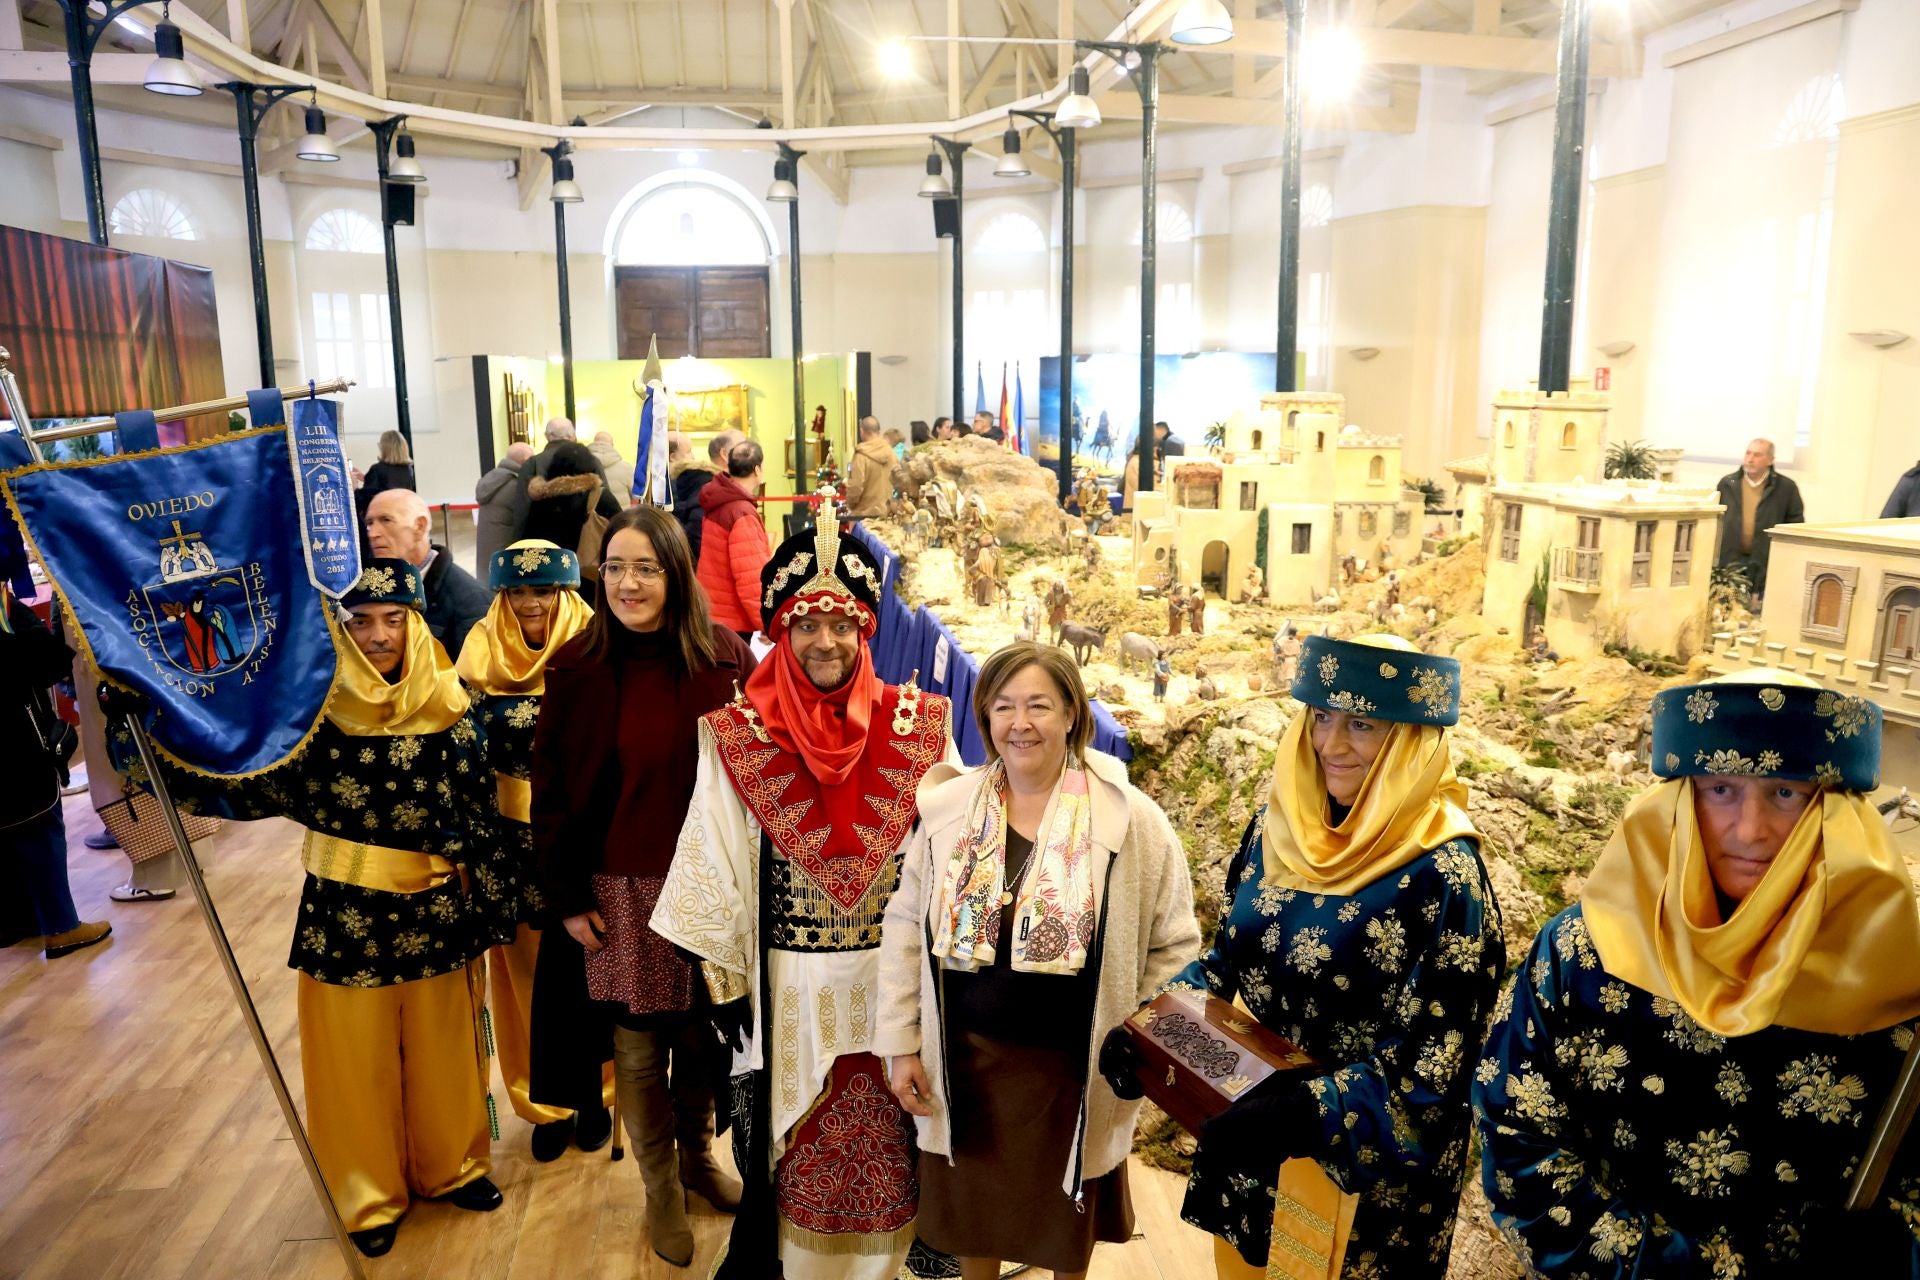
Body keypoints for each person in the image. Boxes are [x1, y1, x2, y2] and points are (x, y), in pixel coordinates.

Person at [1475, 670, 1920, 1276]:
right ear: (1680, 801)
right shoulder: (1584, 951)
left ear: (1832, 811)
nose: (1750, 830)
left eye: (1785, 793)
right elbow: (1518, 1130)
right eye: (1720, 790)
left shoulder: (1891, 977)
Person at [147, 560, 512, 1257]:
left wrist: (493, 905)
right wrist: (154, 723)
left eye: (394, 619)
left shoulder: (453, 708)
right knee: (353, 1061)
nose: (379, 635)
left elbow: (480, 816)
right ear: (339, 630)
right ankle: (365, 1193)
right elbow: (240, 777)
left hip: (439, 911)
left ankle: (454, 1167)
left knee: (445, 1051)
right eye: (361, 621)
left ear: (416, 622)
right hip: (345, 916)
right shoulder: (310, 718)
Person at [1117, 633, 1502, 1279]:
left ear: (1413, 739)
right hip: (1251, 1161)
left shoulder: (1444, 878)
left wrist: (1306, 1114)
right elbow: (1224, 962)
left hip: (1358, 1197)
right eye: (1321, 716)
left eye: (1362, 724)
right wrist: (1149, 1028)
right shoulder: (1275, 832)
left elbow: (1435, 1069)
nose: (1331, 744)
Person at [650, 508, 958, 1279]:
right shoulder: (736, 734)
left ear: (866, 631)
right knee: (800, 1146)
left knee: (896, 1138)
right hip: (787, 986)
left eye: (842, 625)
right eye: (807, 625)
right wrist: (724, 985)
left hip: (895, 987)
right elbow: (712, 854)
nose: (826, 642)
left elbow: (961, 851)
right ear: (780, 633)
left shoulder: (923, 727)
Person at [877, 642, 1198, 1279]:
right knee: (976, 1221)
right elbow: (907, 927)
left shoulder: (1129, 820)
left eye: (1039, 706)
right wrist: (901, 1043)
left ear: (1073, 714)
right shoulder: (948, 812)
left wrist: (1135, 1041)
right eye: (1003, 707)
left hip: (1072, 1075)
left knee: (1063, 1233)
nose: (1020, 724)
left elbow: (1177, 945)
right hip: (968, 1064)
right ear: (984, 717)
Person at [529, 507, 754, 1266]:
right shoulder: (577, 666)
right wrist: (566, 897)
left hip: (707, 882)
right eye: (616, 568)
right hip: (619, 888)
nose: (628, 583)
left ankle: (698, 1161)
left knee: (702, 1037)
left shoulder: (723, 658)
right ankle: (660, 1188)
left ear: (675, 574)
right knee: (637, 1046)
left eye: (645, 568)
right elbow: (551, 789)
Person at [456, 537, 613, 1164]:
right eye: (517, 591)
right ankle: (543, 1100)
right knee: (522, 973)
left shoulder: (598, 651)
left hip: (585, 836)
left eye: (542, 590)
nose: (530, 603)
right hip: (508, 843)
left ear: (564, 592)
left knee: (593, 965)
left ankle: (598, 1095)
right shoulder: (476, 657)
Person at [3, 588, 111, 958]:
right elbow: (48, 661)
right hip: (15, 739)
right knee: (39, 825)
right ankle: (61, 926)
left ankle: (17, 924)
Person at [366, 488, 491, 661]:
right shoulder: (370, 588)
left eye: (386, 520)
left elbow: (474, 674)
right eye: (370, 523)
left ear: (420, 526)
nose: (373, 533)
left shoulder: (471, 602)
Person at [695, 439, 770, 641]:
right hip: (732, 620)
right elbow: (750, 577)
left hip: (713, 609)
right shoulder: (740, 512)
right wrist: (766, 622)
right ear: (757, 469)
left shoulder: (718, 499)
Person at [1715, 438, 1804, 601]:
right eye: (1748, 453)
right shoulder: (1728, 484)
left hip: (1766, 563)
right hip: (1731, 562)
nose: (1750, 459)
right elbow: (1716, 520)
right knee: (1729, 605)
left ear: (1770, 460)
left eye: (1757, 455)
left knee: (1759, 608)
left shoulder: (1785, 488)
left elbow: (1796, 525)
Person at [525, 440, 620, 556]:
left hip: (551, 564)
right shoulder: (600, 497)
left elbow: (529, 540)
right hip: (589, 565)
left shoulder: (541, 498)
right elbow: (621, 528)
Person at [670, 429, 742, 561]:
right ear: (724, 454)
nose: (693, 456)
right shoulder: (706, 486)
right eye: (688, 451)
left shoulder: (703, 482)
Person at [474, 441, 534, 576]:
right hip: (505, 553)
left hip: (487, 551)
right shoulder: (516, 485)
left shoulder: (492, 477)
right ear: (525, 460)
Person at [355, 430, 417, 527]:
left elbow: (364, 500)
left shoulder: (377, 469)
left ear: (385, 448)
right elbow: (390, 486)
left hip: (383, 522)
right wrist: (366, 478)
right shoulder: (408, 470)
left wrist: (353, 487)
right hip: (401, 520)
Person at [845, 416, 896, 519]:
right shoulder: (891, 453)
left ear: (862, 431)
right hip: (887, 513)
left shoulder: (860, 456)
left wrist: (850, 505)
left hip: (864, 514)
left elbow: (855, 486)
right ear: (879, 431)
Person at [590, 429, 636, 506]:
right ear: (612, 445)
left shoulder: (582, 466)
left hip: (593, 513)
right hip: (621, 513)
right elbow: (636, 496)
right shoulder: (626, 468)